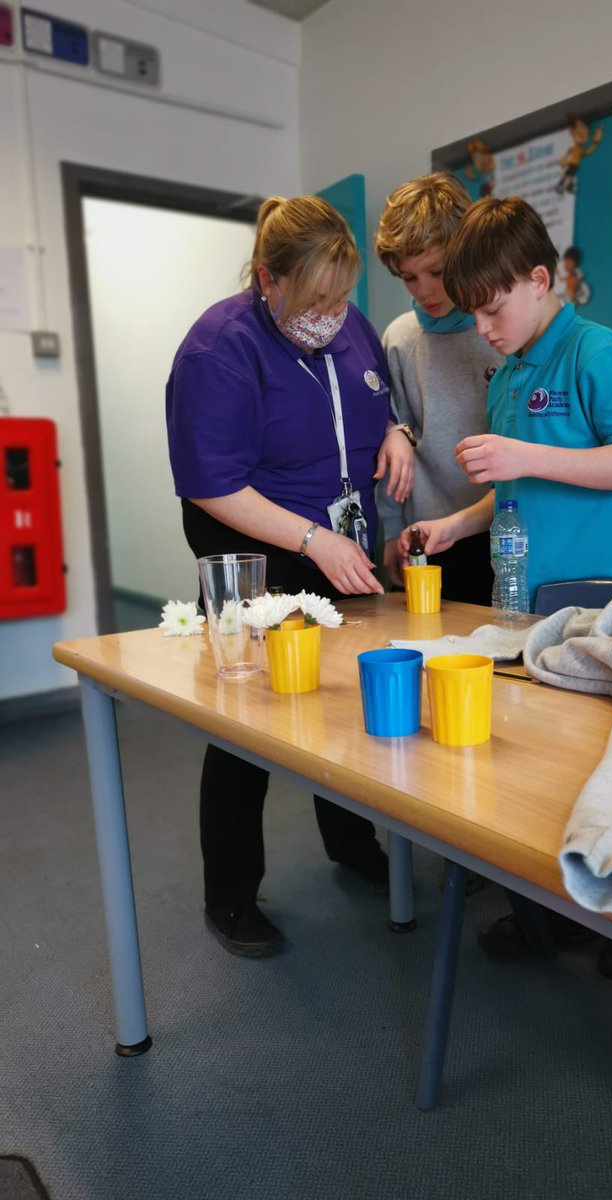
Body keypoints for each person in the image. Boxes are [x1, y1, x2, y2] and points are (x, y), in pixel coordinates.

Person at [398, 195, 612, 977]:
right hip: (519, 603)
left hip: (593, 608)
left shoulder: (593, 350)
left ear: (540, 279)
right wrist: (454, 526)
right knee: (531, 771)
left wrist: (525, 457)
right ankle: (553, 915)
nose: (483, 327)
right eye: (473, 312)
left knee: (598, 770)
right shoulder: (510, 373)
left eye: (492, 308)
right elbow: (515, 491)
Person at [166, 194, 415, 957]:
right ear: (268, 279)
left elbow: (375, 397)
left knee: (342, 697)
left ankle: (351, 844)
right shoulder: (220, 348)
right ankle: (231, 895)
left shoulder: (351, 328)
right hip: (256, 544)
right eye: (314, 300)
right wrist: (309, 541)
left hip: (338, 540)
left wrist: (398, 431)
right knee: (252, 720)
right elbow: (210, 483)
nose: (331, 315)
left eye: (343, 299)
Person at [374, 171, 503, 604]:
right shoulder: (399, 339)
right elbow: (390, 444)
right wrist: (392, 534)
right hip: (425, 540)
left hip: (499, 532)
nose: (425, 289)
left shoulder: (501, 333)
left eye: (436, 271)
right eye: (410, 278)